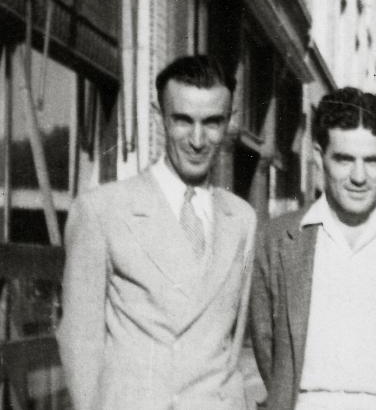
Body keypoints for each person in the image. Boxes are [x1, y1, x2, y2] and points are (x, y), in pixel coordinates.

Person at [57, 55, 256, 410]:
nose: (198, 140)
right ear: (159, 116)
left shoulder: (241, 218)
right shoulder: (103, 210)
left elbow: (234, 340)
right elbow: (79, 342)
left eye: (212, 122)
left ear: (229, 120)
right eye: (183, 120)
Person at [249, 87, 376, 410]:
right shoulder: (276, 239)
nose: (359, 176)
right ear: (319, 156)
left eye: (372, 161)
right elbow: (265, 343)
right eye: (344, 159)